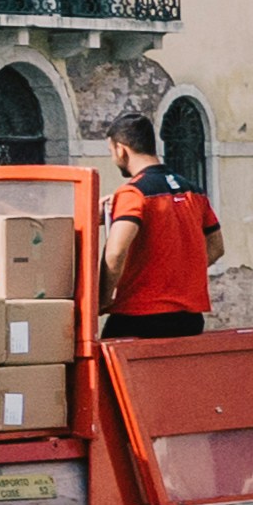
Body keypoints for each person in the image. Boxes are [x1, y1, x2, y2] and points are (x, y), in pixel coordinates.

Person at [97, 113, 218, 338]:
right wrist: (175, 274)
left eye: (111, 152)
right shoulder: (193, 191)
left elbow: (115, 252)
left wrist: (101, 300)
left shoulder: (133, 193)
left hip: (139, 316)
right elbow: (216, 248)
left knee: (103, 371)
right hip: (189, 319)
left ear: (121, 149)